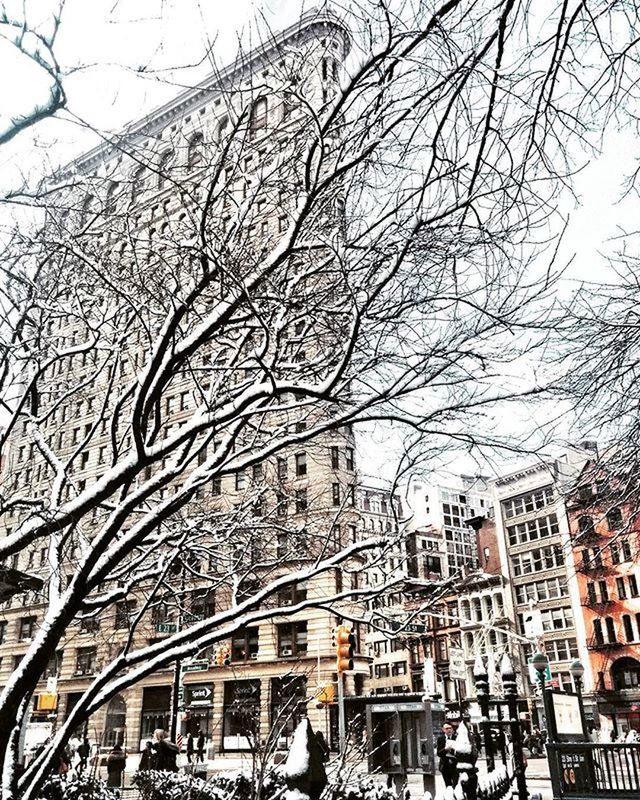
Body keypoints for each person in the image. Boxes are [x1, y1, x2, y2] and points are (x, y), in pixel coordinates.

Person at [436, 722, 458, 788]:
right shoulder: (440, 739)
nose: (449, 730)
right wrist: (445, 749)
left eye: (450, 728)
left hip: (455, 766)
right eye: (447, 728)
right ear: (443, 730)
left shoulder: (457, 738)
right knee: (448, 786)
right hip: (445, 766)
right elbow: (439, 753)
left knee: (455, 785)